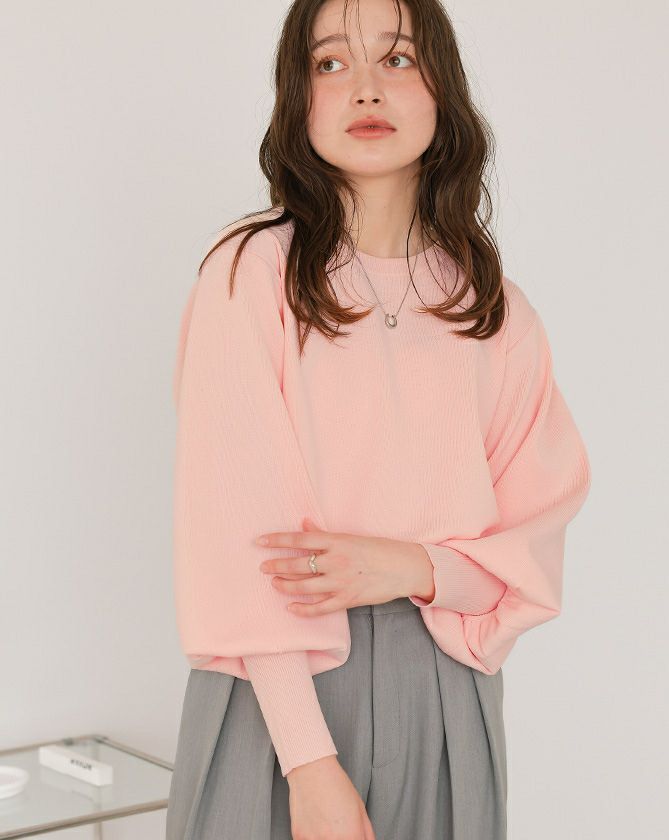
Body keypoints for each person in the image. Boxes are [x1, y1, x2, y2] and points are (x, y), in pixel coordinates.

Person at [165, 1, 592, 838]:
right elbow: (237, 535)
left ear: (443, 90)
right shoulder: (252, 271)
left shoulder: (495, 310)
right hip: (277, 694)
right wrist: (308, 764)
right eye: (330, 63)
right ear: (299, 99)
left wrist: (415, 566)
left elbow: (530, 548)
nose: (365, 88)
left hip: (446, 685)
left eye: (397, 59)